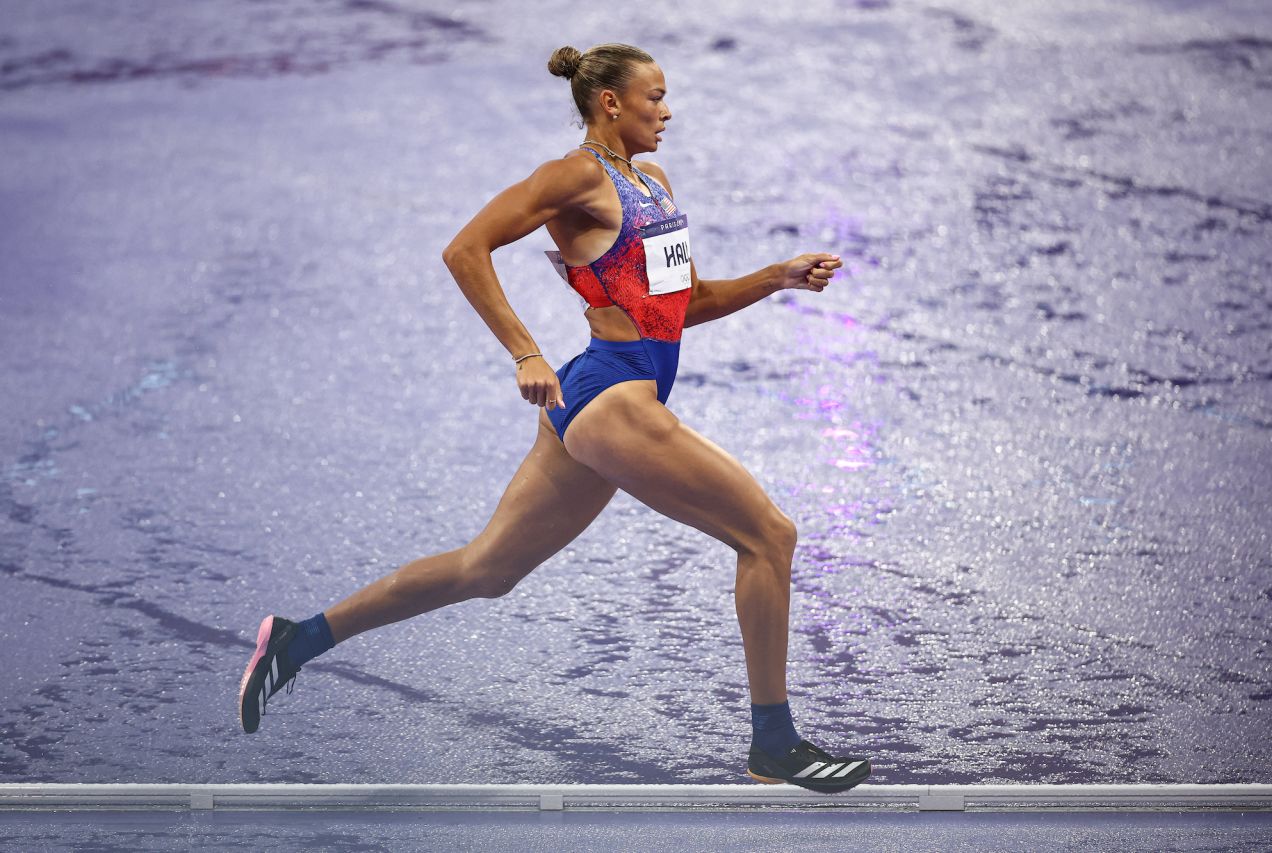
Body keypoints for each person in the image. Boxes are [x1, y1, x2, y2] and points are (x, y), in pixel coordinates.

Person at [238, 42, 871, 794]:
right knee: (769, 535)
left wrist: (777, 278)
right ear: (610, 104)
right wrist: (523, 352)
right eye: (654, 98)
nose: (666, 112)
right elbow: (465, 248)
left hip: (607, 392)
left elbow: (682, 306)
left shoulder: (655, 185)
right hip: (611, 397)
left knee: (487, 569)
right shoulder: (574, 177)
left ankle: (297, 639)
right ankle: (775, 743)